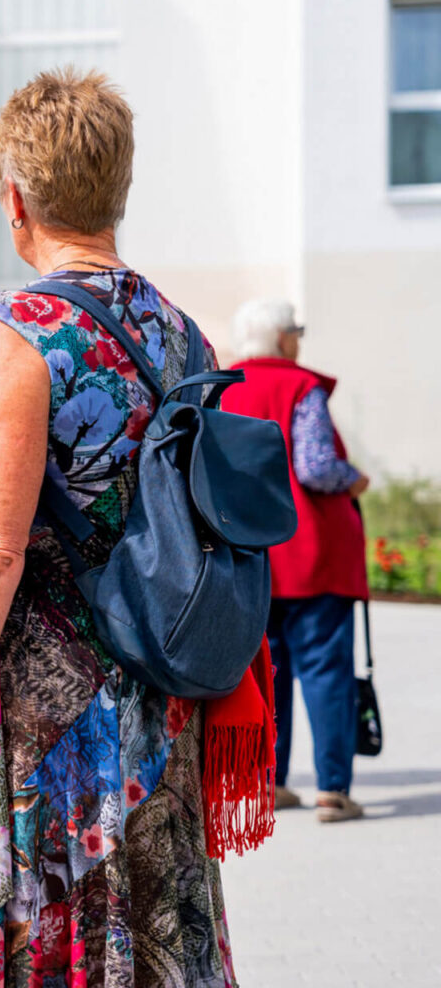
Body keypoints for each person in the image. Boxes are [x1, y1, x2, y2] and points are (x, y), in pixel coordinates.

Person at [0, 69, 248, 987]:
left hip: (43, 724)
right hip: (158, 701)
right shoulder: (183, 334)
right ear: (117, 189)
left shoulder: (16, 332)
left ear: (14, 195)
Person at [220, 299, 368, 823]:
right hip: (312, 555)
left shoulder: (221, 386)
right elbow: (314, 466)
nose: (300, 341)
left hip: (249, 556)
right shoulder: (300, 387)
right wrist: (354, 479)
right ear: (283, 339)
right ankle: (333, 789)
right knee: (327, 670)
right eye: (297, 332)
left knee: (267, 671)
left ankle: (271, 783)